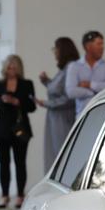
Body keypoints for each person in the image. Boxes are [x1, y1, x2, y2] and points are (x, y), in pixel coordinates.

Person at [0, 54, 36, 209]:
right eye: (9, 67)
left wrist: (18, 102)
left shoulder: (27, 84)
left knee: (20, 163)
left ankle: (20, 195)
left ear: (19, 68)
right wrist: (1, 100)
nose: (11, 70)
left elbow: (32, 106)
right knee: (4, 163)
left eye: (14, 67)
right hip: (1, 130)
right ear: (5, 68)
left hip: (20, 129)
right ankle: (4, 195)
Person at [37, 36, 78, 169]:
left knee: (61, 155)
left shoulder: (71, 68)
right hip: (55, 118)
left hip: (63, 119)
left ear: (62, 50)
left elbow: (68, 98)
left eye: (55, 49)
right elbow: (58, 89)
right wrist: (47, 81)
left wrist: (46, 103)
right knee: (53, 154)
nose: (54, 52)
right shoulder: (64, 69)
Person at [65, 31, 105, 115]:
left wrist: (90, 85)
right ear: (88, 46)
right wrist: (93, 93)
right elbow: (71, 92)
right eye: (99, 44)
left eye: (102, 44)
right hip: (83, 116)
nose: (102, 47)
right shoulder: (74, 66)